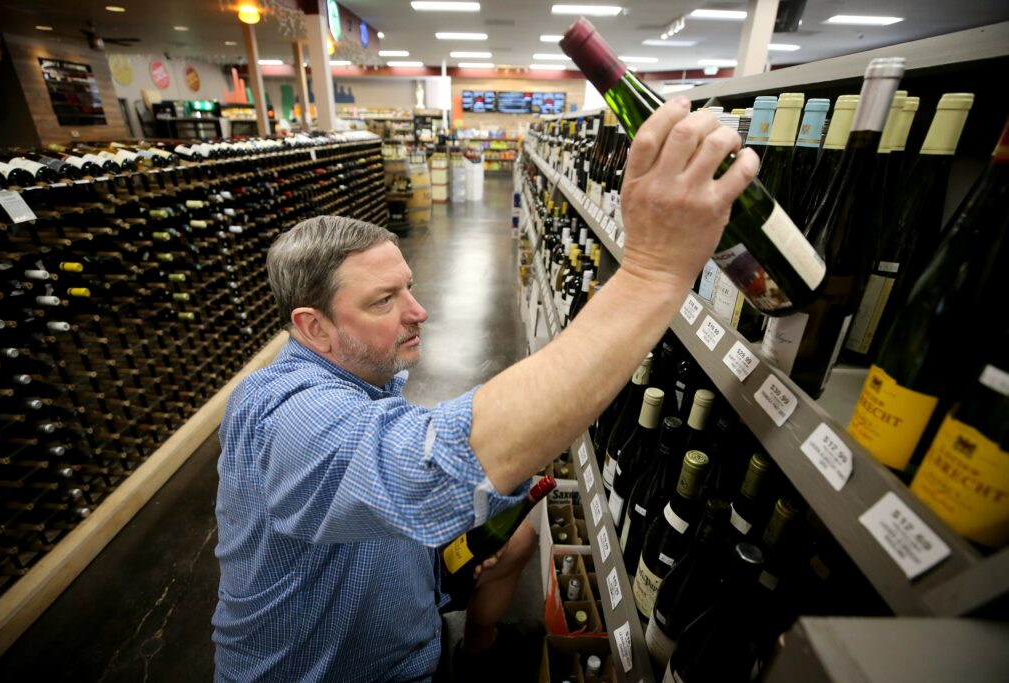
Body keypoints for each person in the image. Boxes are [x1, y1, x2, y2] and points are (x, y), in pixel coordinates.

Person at [211, 97, 759, 682]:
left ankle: (477, 649)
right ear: (313, 327)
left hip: (406, 624)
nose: (419, 312)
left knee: (516, 538)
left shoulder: (365, 378)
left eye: (409, 288)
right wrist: (652, 275)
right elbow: (425, 467)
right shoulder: (282, 412)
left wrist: (464, 527)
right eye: (384, 300)